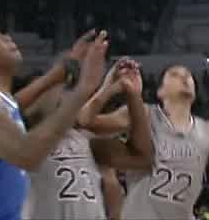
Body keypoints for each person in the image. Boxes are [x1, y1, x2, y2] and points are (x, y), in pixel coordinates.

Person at [0, 25, 109, 220]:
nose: (8, 37)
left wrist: (63, 69)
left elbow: (14, 105)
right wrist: (83, 89)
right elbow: (28, 154)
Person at [21, 57, 155, 220]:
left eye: (59, 87)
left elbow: (142, 158)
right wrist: (106, 90)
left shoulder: (87, 141)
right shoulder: (19, 141)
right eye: (44, 89)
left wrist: (132, 94)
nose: (58, 92)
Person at [120, 65, 209, 219]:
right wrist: (130, 95)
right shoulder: (143, 117)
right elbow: (89, 122)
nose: (184, 78)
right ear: (160, 91)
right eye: (175, 74)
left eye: (188, 75)